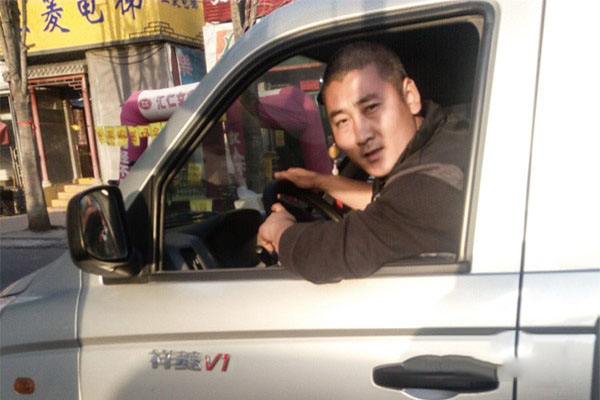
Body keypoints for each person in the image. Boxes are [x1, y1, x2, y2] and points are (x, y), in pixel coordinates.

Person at [258, 41, 470, 283]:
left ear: (410, 96)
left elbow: (336, 251)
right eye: (343, 121)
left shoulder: (429, 184)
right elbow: (388, 203)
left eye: (371, 108)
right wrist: (321, 182)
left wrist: (280, 230)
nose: (362, 135)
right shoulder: (446, 137)